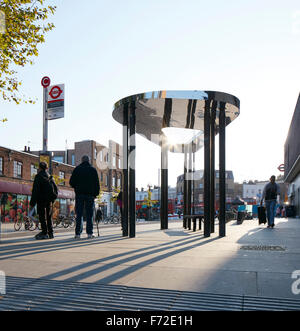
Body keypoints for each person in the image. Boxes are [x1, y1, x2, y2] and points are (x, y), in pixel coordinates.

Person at [69, 155, 100, 239]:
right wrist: (95, 194)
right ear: (89, 160)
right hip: (90, 195)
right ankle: (89, 233)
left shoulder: (77, 169)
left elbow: (71, 182)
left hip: (79, 194)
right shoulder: (93, 170)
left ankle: (78, 233)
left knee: (79, 214)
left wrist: (77, 187)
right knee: (89, 214)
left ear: (82, 160)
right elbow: (97, 184)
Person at [30, 162, 58, 240]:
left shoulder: (38, 177)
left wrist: (32, 203)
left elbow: (35, 191)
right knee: (49, 217)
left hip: (41, 200)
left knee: (42, 216)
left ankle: (44, 232)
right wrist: (53, 199)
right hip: (49, 200)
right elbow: (55, 189)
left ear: (39, 168)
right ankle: (51, 233)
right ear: (47, 168)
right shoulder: (50, 177)